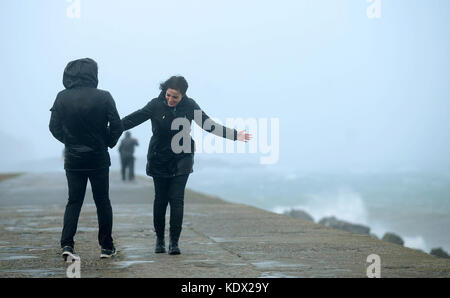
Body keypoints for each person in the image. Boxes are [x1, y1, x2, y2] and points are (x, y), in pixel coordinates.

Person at [121, 76, 251, 255]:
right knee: (160, 199)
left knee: (177, 199)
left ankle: (174, 242)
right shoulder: (155, 105)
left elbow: (208, 124)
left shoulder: (190, 106)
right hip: (159, 157)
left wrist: (235, 135)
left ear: (183, 95)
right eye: (168, 95)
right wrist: (108, 129)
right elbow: (132, 119)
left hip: (182, 157)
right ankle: (160, 239)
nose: (170, 100)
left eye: (175, 97)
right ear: (164, 91)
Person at [49, 58, 123, 260]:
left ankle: (67, 245)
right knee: (102, 202)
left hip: (73, 159)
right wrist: (106, 142)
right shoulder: (104, 96)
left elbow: (53, 127)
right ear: (93, 74)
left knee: (74, 201)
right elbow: (117, 126)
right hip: (98, 158)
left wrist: (70, 142)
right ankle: (107, 247)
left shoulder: (62, 97)